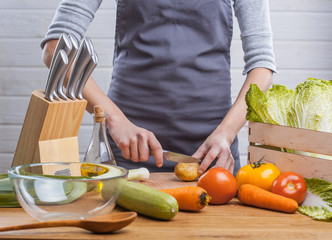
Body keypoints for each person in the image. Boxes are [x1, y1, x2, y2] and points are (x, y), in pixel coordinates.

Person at [41, 0, 276, 175]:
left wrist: (226, 133)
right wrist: (114, 121)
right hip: (127, 149)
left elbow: (262, 66)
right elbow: (55, 49)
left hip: (211, 152)